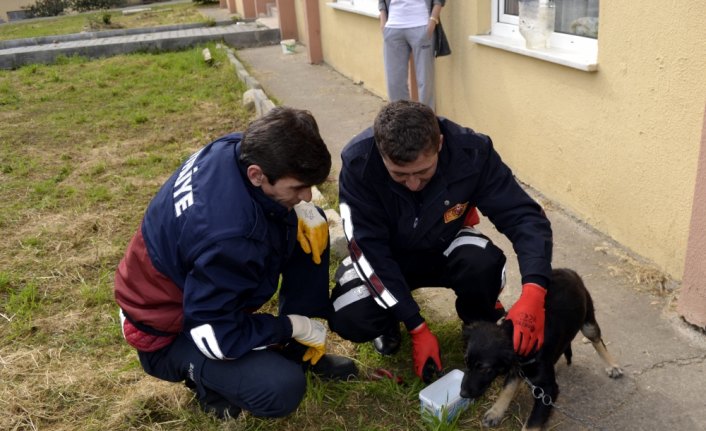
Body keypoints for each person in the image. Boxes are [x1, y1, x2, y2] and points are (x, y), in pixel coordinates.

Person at [114, 107, 357, 419]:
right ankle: (208, 382)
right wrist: (287, 326)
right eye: (297, 188)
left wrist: (294, 211)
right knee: (279, 387)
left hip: (194, 287)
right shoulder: (230, 238)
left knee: (312, 225)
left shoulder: (236, 147)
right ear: (256, 174)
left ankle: (301, 352)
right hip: (165, 331)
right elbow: (216, 336)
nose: (308, 195)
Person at [329, 100, 553, 383]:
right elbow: (367, 249)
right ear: (380, 152)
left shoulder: (473, 152)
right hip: (388, 256)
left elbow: (523, 217)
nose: (412, 184)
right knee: (349, 314)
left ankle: (477, 323)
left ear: (440, 144)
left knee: (484, 263)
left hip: (443, 244)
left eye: (423, 172)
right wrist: (416, 326)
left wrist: (535, 292)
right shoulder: (358, 162)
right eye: (399, 174)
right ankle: (389, 320)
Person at [379, 0, 445, 110]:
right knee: (394, 83)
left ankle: (426, 123)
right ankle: (401, 122)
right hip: (393, 27)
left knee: (425, 82)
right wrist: (383, 20)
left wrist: (433, 20)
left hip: (422, 25)